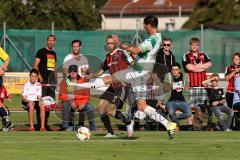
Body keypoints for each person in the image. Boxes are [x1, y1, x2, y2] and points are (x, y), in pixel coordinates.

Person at [70, 16, 177, 139]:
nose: (144, 27)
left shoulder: (153, 38)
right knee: (142, 106)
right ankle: (168, 124)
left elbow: (136, 50)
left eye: (144, 25)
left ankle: (75, 85)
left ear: (148, 25)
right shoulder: (156, 38)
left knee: (109, 79)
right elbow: (141, 53)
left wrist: (120, 42)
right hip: (142, 73)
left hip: (139, 72)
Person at [84, 35, 132, 137]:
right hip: (112, 86)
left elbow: (132, 62)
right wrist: (90, 76)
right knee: (100, 109)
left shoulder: (122, 53)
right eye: (108, 43)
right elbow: (100, 72)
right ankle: (110, 132)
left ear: (115, 43)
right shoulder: (107, 57)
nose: (109, 45)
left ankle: (128, 122)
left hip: (122, 87)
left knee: (110, 111)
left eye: (111, 43)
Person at [182, 37, 212, 127]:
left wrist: (196, 67)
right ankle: (190, 125)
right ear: (190, 45)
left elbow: (209, 64)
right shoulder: (186, 55)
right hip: (191, 86)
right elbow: (189, 67)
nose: (194, 46)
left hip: (202, 86)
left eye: (196, 45)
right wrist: (202, 67)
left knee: (202, 107)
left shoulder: (203, 54)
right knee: (190, 107)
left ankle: (199, 125)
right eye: (193, 45)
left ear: (198, 46)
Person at [59, 65, 96, 131]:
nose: (73, 73)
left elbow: (87, 94)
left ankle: (93, 128)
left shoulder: (83, 80)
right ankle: (66, 126)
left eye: (75, 71)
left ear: (77, 72)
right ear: (69, 72)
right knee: (65, 104)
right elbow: (61, 95)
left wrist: (84, 103)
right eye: (71, 71)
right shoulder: (65, 81)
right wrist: (71, 101)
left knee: (90, 108)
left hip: (82, 101)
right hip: (70, 101)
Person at [33, 34, 57, 130]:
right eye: (49, 40)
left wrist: (55, 79)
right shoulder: (41, 51)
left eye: (53, 40)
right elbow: (35, 65)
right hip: (42, 82)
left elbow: (54, 68)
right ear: (47, 41)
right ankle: (40, 125)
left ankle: (45, 124)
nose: (51, 42)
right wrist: (40, 78)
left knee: (49, 105)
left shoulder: (54, 53)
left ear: (54, 42)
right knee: (41, 104)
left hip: (51, 83)